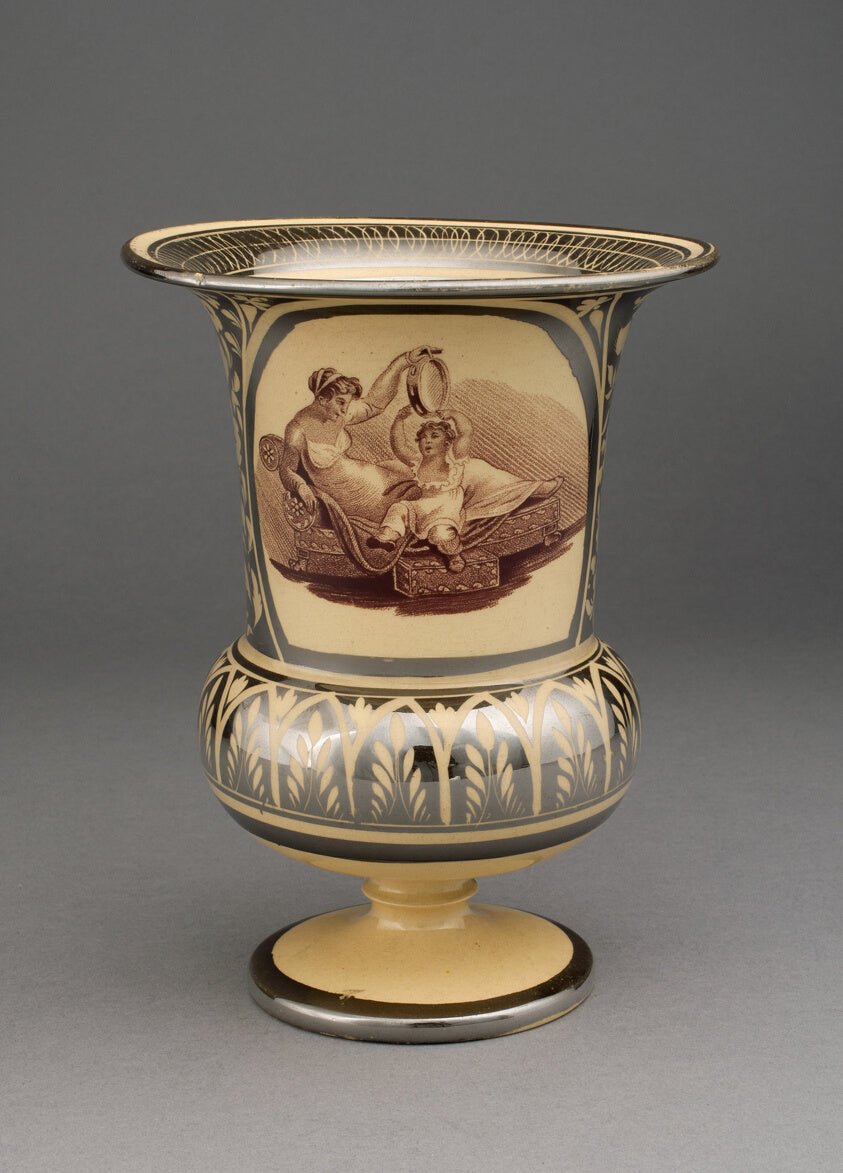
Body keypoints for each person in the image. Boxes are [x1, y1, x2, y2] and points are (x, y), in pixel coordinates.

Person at [369, 407, 562, 572]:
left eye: (434, 436)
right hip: (421, 506)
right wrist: (399, 421)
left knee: (440, 534)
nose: (427, 441)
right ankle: (387, 537)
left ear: (447, 443)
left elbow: (466, 432)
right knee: (398, 509)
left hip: (446, 508)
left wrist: (454, 415)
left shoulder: (455, 459)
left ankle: (454, 556)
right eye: (423, 438)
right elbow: (399, 446)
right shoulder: (416, 462)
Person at [278, 348, 440, 524]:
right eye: (340, 402)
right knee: (415, 498)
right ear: (322, 400)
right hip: (355, 498)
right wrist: (301, 487)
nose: (344, 410)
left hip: (370, 480)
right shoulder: (298, 430)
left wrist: (404, 361)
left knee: (422, 481)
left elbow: (374, 404)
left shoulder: (337, 414)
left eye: (347, 404)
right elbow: (286, 470)